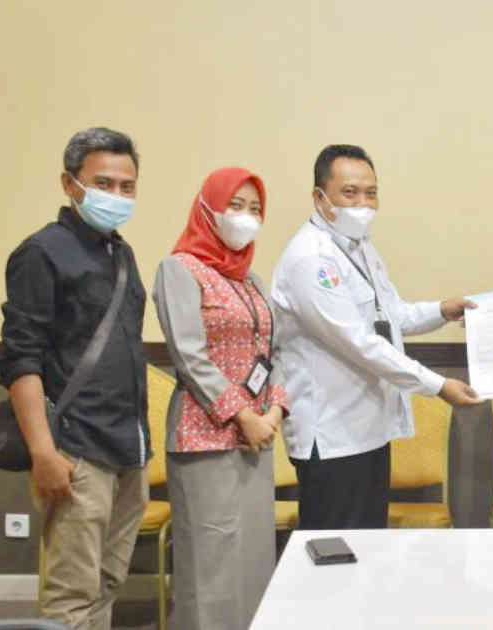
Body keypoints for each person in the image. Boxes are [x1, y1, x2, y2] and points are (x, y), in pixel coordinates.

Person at [270, 144, 480, 529]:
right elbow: (358, 342)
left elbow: (390, 315)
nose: (363, 204)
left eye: (371, 193)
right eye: (350, 193)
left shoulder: (360, 247)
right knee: (334, 550)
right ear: (320, 197)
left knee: (368, 547)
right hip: (331, 435)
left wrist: (441, 311)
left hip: (367, 429)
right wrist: (437, 385)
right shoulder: (310, 258)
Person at [0, 127, 149, 629]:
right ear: (70, 184)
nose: (117, 195)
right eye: (104, 183)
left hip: (128, 446)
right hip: (76, 449)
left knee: (108, 583)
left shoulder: (121, 254)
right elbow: (21, 358)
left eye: (127, 186)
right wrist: (43, 452)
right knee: (71, 594)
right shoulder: (42, 252)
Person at [153, 167, 287, 629]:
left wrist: (274, 411)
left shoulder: (252, 282)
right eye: (235, 205)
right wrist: (242, 415)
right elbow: (188, 354)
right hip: (204, 436)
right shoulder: (179, 269)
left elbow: (275, 352)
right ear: (208, 209)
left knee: (253, 557)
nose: (245, 217)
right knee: (210, 562)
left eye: (255, 209)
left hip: (257, 438)